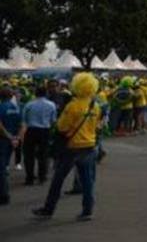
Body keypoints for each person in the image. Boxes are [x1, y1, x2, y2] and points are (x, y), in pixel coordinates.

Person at [32, 72, 101, 221]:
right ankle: (87, 210)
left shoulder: (73, 106)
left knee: (58, 180)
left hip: (72, 147)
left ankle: (48, 209)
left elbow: (62, 127)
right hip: (89, 145)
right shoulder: (95, 106)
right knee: (87, 180)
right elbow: (96, 126)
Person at [20, 86, 58, 186]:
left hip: (31, 130)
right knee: (43, 155)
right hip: (45, 131)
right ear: (46, 94)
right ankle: (42, 177)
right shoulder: (51, 105)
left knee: (29, 155)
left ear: (35, 93)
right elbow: (53, 120)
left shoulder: (29, 104)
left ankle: (30, 178)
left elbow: (24, 120)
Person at [0, 86, 23, 206]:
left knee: (1, 168)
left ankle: (4, 195)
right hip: (12, 140)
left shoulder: (1, 107)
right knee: (4, 166)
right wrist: (17, 138)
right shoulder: (17, 108)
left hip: (3, 139)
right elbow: (23, 124)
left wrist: (9, 136)